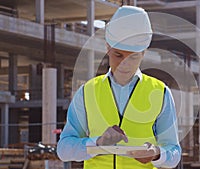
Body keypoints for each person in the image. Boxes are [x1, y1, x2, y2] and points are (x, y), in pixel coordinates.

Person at [57, 5, 181, 169]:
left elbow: (174, 152)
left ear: (143, 53)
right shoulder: (88, 92)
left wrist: (158, 154)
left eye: (133, 57)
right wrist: (97, 143)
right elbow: (64, 150)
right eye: (118, 55)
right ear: (108, 48)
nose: (125, 64)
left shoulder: (160, 92)